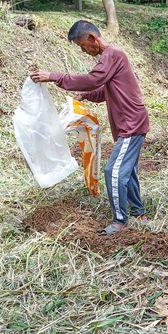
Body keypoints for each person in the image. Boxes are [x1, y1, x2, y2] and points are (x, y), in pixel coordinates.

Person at [30, 20, 149, 235]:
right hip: (131, 123)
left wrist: (54, 76)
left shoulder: (112, 55)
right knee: (127, 171)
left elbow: (95, 79)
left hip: (132, 124)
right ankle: (139, 212)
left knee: (112, 171)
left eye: (83, 46)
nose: (84, 51)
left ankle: (121, 220)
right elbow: (104, 91)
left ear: (93, 38)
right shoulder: (111, 59)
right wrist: (84, 96)